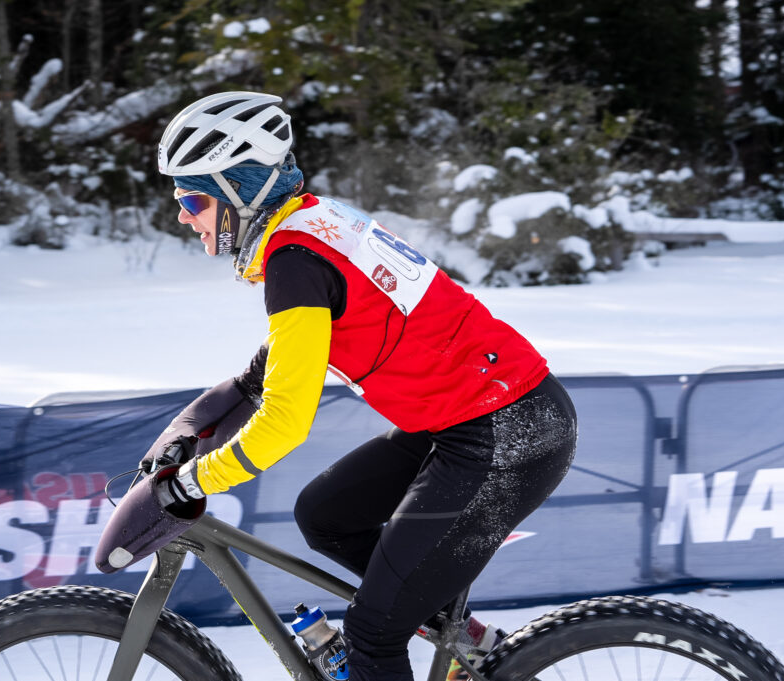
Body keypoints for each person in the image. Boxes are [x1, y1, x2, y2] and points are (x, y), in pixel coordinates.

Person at [141, 91, 578, 681]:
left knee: (372, 635)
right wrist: (186, 431)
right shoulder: (313, 224)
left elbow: (284, 421)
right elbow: (259, 376)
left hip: (504, 434)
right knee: (325, 516)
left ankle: (425, 633)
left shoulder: (295, 261)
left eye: (192, 199)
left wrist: (194, 479)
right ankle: (467, 641)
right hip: (470, 421)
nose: (182, 215)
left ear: (239, 191)